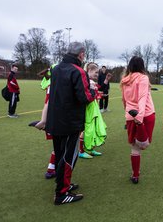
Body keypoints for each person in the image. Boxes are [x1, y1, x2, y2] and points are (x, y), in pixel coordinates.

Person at [46, 42, 95, 205]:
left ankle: (63, 184)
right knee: (68, 156)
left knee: (60, 154)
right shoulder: (78, 71)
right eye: (84, 53)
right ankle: (61, 193)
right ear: (81, 54)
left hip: (55, 120)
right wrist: (94, 92)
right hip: (70, 122)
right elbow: (85, 97)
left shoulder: (56, 68)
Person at [120, 56, 155, 184]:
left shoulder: (125, 80)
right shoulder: (143, 78)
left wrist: (128, 115)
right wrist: (139, 118)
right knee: (144, 144)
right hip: (145, 114)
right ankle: (135, 174)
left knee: (135, 147)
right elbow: (142, 98)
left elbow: (124, 101)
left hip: (131, 115)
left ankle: (135, 175)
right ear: (142, 66)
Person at [79, 63, 108, 159]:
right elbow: (86, 96)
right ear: (89, 71)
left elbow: (95, 92)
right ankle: (81, 151)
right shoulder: (86, 82)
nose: (97, 74)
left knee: (93, 128)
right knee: (86, 129)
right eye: (96, 72)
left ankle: (90, 149)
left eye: (98, 73)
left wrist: (98, 93)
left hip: (93, 107)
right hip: (88, 109)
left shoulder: (91, 82)